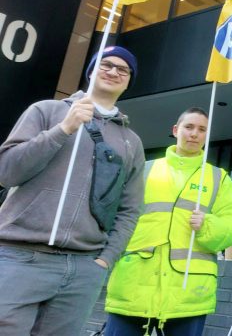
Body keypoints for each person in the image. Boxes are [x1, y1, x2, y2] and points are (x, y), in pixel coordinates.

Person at [0, 45, 145, 336]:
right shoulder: (46, 111)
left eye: (122, 69)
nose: (113, 71)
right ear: (91, 70)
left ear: (128, 80)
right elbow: (7, 171)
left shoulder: (132, 142)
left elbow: (129, 209)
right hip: (19, 255)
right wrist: (63, 129)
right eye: (106, 64)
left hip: (83, 267)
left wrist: (105, 259)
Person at [103, 106, 232, 335]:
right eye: (189, 127)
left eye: (201, 129)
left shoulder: (219, 178)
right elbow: (115, 215)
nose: (194, 134)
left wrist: (208, 225)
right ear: (176, 130)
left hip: (188, 292)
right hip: (134, 284)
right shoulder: (145, 170)